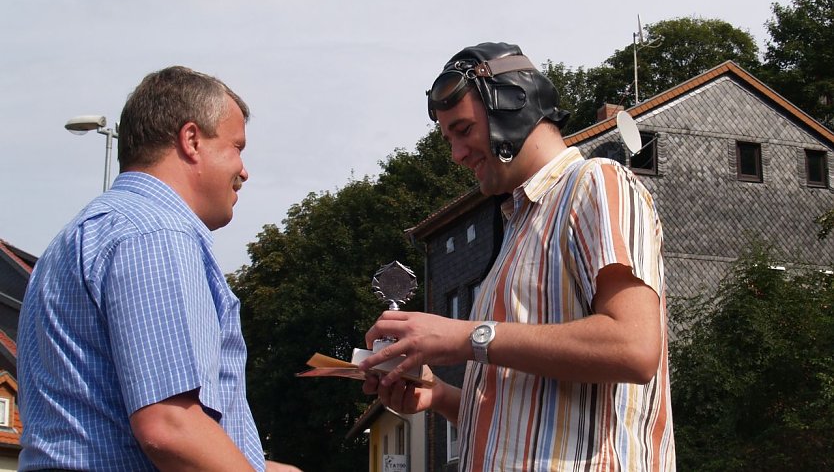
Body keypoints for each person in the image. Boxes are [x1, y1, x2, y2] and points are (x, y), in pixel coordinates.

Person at [360, 43, 675, 471]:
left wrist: (465, 337)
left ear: (513, 109)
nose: (456, 154)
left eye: (464, 129)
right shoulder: (518, 226)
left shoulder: (596, 183)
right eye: (448, 138)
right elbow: (528, 420)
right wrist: (439, 396)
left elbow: (634, 347)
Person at [18, 66, 301, 472]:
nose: (244, 170)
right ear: (191, 140)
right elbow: (169, 428)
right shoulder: (156, 232)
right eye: (237, 147)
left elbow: (107, 433)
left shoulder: (82, 234)